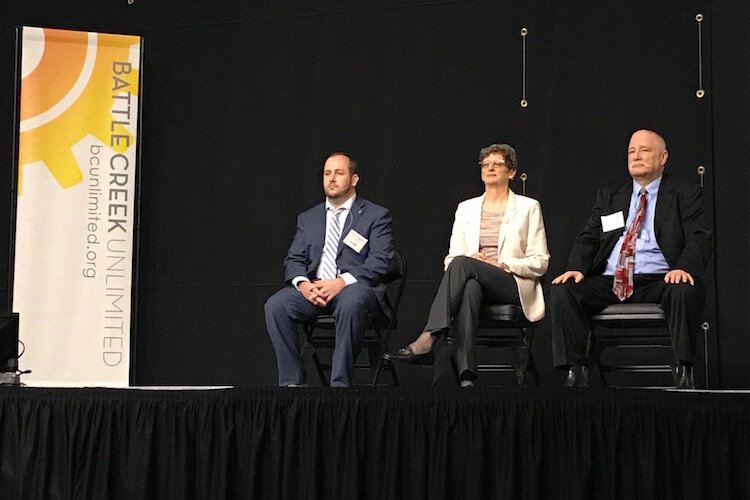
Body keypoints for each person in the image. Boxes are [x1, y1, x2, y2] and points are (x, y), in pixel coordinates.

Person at [550, 129, 712, 388]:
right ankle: (576, 370)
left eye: (644, 150)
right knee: (565, 289)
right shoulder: (610, 195)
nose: (636, 156)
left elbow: (699, 237)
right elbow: (589, 237)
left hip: (659, 280)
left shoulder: (684, 193)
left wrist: (683, 267)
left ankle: (684, 370)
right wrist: (576, 267)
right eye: (631, 151)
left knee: (685, 288)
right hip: (612, 280)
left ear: (663, 157)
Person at [385, 144, 549, 386]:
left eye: (497, 164)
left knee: (465, 265)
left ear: (511, 173)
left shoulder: (528, 207)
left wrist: (501, 263)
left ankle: (430, 336)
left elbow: (540, 261)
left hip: (511, 283)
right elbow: (451, 260)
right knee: (470, 284)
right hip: (474, 280)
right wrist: (472, 261)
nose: (490, 168)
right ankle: (467, 377)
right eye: (485, 164)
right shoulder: (466, 208)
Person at [264, 152, 394, 387]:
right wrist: (303, 284)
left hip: (354, 287)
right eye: (327, 173)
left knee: (351, 302)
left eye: (339, 173)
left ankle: (339, 385)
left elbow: (380, 261)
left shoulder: (375, 215)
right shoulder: (308, 218)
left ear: (354, 180)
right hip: (315, 289)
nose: (332, 178)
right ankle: (292, 384)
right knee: (275, 306)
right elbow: (294, 259)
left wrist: (341, 282)